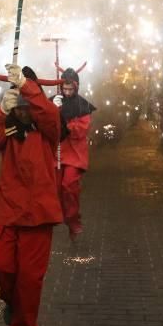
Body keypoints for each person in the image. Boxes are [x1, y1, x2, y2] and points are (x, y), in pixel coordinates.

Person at [0, 64, 62, 326]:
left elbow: (49, 115)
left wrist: (27, 86)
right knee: (0, 265)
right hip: (7, 208)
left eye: (29, 101)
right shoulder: (9, 127)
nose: (24, 108)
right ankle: (12, 302)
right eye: (20, 103)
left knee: (29, 278)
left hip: (39, 213)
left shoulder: (48, 130)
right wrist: (1, 109)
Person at [51, 67, 96, 241]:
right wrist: (53, 110)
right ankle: (60, 216)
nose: (67, 92)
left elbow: (82, 130)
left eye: (71, 89)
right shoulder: (55, 101)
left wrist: (67, 126)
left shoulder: (82, 106)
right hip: (58, 152)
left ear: (76, 88)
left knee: (69, 185)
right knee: (55, 187)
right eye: (65, 89)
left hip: (75, 154)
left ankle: (72, 219)